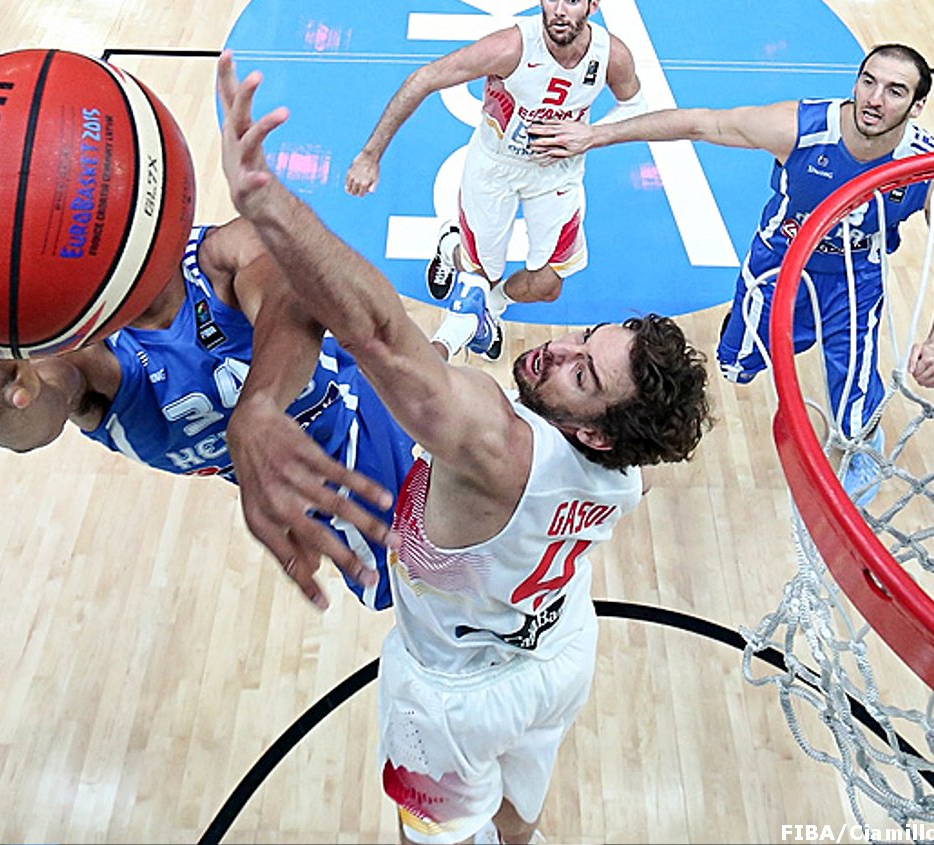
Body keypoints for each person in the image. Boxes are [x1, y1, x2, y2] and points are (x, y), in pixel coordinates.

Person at [218, 52, 712, 845]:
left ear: (591, 428)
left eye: (582, 373)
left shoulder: (496, 440)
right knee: (517, 824)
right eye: (584, 338)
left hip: (451, 698)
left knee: (433, 839)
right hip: (559, 650)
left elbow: (378, 332)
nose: (557, 349)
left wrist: (267, 205)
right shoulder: (624, 468)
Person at [530, 43, 934, 463]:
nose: (875, 99)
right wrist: (596, 135)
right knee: (736, 365)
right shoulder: (799, 128)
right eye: (868, 81)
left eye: (895, 91)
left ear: (916, 107)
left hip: (855, 279)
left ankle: (861, 445)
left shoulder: (930, 169)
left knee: (855, 384)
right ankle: (746, 346)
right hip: (778, 267)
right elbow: (700, 123)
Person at [0, 216, 410, 612]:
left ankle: (466, 323)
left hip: (381, 415)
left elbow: (288, 299)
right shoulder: (86, 358)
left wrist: (258, 407)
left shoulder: (222, 256)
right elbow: (36, 415)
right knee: (428, 601)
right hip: (316, 492)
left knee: (452, 600)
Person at [344, 0, 645, 360]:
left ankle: (492, 308)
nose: (560, 10)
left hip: (557, 171)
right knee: (482, 274)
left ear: (593, 5)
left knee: (548, 286)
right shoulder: (511, 47)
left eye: (573, 0)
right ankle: (451, 250)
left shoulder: (611, 55)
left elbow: (635, 104)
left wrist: (592, 134)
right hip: (495, 169)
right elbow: (423, 78)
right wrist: (369, 155)